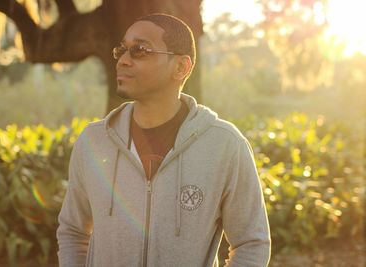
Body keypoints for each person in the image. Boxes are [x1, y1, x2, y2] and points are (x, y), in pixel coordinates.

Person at [56, 13, 271, 267]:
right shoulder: (93, 142)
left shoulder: (225, 145)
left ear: (181, 67)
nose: (123, 60)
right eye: (122, 50)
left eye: (140, 50)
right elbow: (73, 231)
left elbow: (251, 243)